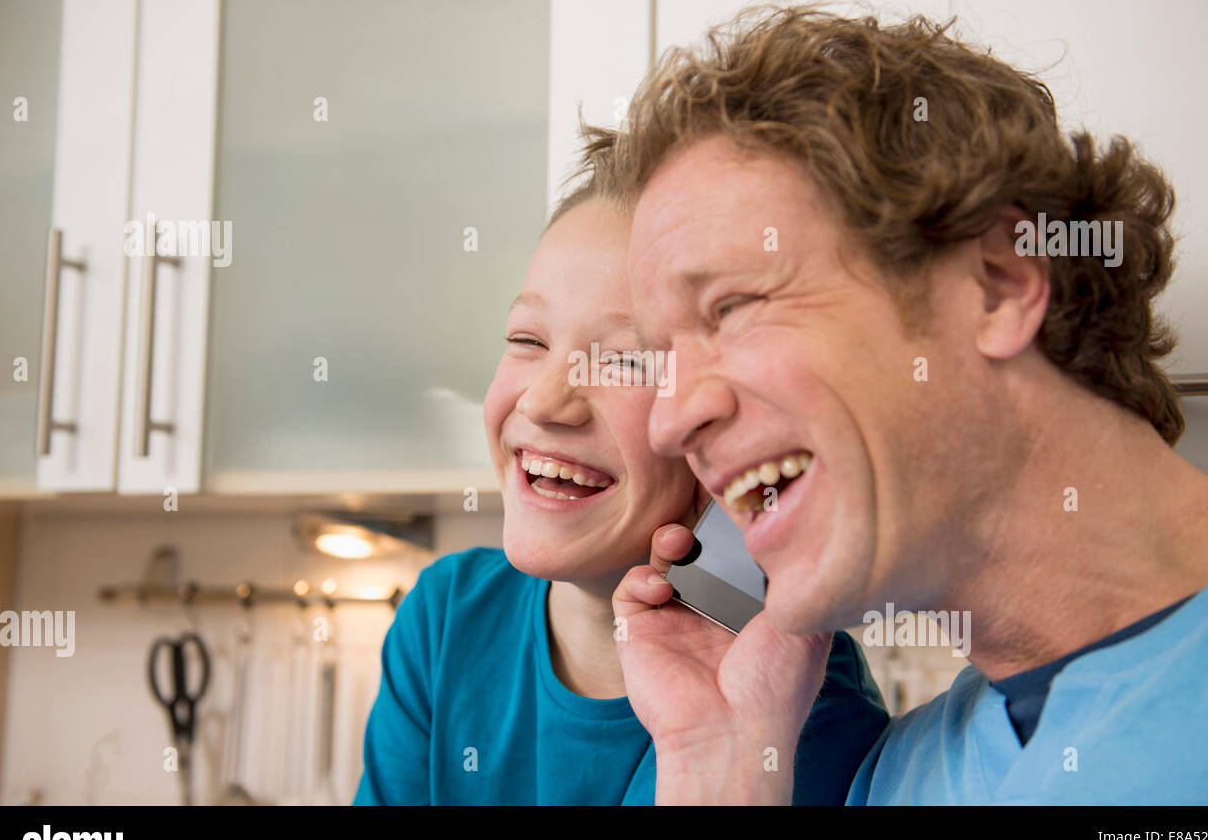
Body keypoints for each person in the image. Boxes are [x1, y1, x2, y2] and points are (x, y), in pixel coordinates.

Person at [608, 3, 1208, 803]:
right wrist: (722, 754)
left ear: (998, 285)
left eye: (731, 308)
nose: (668, 420)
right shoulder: (896, 781)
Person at [353, 128, 888, 804]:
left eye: (626, 362)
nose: (547, 400)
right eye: (527, 339)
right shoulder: (447, 617)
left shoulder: (786, 705)